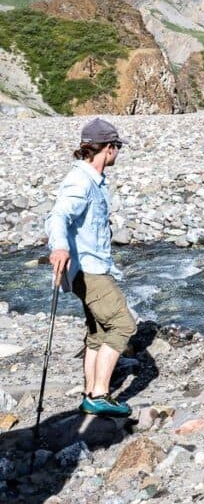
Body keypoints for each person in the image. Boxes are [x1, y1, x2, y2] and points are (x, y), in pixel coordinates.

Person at [45, 118, 136, 417]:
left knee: (97, 331)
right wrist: (59, 247)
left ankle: (90, 391)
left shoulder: (92, 180)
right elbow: (58, 216)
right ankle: (99, 394)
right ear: (108, 149)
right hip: (89, 269)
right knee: (123, 324)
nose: (118, 152)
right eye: (117, 146)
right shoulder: (81, 181)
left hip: (88, 267)